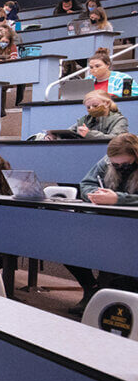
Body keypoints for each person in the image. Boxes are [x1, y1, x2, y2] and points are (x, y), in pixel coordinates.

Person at [65, 134, 138, 315]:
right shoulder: (106, 162)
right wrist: (96, 194)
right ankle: (91, 288)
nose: (121, 168)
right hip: (105, 222)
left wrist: (118, 199)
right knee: (66, 245)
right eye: (116, 165)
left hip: (131, 228)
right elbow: (86, 184)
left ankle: (114, 300)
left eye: (126, 165)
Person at [57, 91, 129, 139]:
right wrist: (55, 136)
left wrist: (89, 134)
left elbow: (116, 138)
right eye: (88, 107)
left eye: (95, 105)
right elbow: (69, 132)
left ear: (107, 103)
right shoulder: (84, 120)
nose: (91, 109)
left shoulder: (119, 120)